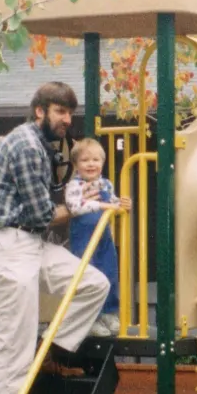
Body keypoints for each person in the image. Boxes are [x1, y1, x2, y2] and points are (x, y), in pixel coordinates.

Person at [0, 82, 111, 394]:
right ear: (40, 111)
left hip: (27, 244)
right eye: (60, 112)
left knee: (93, 283)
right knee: (11, 353)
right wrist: (83, 206)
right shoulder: (28, 145)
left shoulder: (37, 145)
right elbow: (40, 215)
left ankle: (50, 346)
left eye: (70, 113)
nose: (67, 120)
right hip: (6, 245)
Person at [63, 138, 131, 338]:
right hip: (84, 238)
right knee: (87, 277)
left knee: (109, 272)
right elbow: (74, 208)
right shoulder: (75, 186)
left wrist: (123, 204)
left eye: (95, 160)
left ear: (102, 163)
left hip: (103, 237)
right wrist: (101, 206)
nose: (91, 164)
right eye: (85, 160)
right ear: (76, 165)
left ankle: (108, 313)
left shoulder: (106, 185)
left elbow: (113, 203)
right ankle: (90, 319)